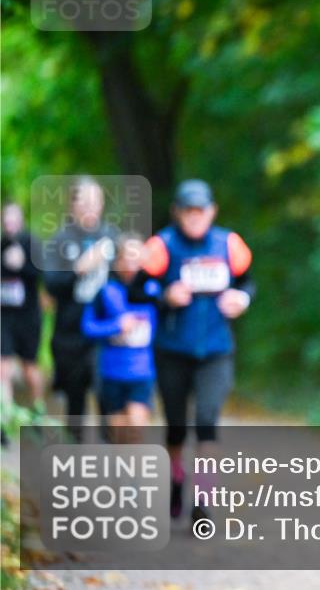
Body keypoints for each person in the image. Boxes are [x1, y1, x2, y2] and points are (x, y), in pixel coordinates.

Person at [130, 179, 254, 524]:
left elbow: (247, 281)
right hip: (172, 350)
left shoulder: (229, 244)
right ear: (177, 213)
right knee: (176, 427)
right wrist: (164, 296)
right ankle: (175, 481)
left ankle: (203, 499)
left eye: (201, 211)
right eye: (188, 211)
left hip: (216, 350)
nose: (195, 217)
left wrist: (242, 298)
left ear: (212, 211)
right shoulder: (162, 246)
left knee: (206, 422)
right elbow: (137, 290)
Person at [42, 177, 118, 442]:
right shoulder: (60, 240)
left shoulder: (112, 236)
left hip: (106, 333)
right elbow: (51, 285)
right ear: (72, 204)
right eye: (83, 201)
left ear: (102, 203)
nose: (89, 207)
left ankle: (112, 457)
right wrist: (78, 269)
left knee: (108, 397)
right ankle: (74, 452)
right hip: (70, 334)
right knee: (75, 402)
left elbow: (128, 282)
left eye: (94, 201)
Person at [81, 234, 159, 444]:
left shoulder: (154, 290)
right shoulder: (105, 291)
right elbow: (88, 327)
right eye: (126, 258)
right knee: (118, 434)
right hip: (112, 372)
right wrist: (116, 326)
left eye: (136, 258)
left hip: (142, 372)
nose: (131, 264)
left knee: (136, 424)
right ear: (117, 262)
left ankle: (135, 464)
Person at [1, 202, 45, 434]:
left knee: (30, 367)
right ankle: (5, 420)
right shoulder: (1, 244)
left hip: (28, 317)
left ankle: (38, 412)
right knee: (3, 367)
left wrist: (22, 265)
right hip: (5, 317)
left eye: (13, 218)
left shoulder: (31, 242)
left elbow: (42, 274)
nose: (9, 224)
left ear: (21, 220)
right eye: (6, 219)